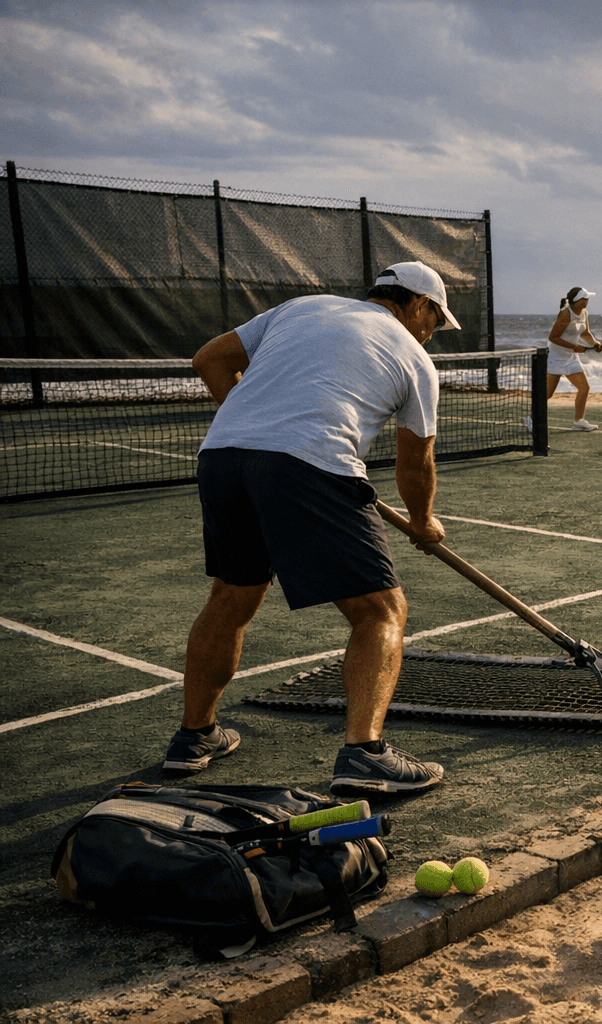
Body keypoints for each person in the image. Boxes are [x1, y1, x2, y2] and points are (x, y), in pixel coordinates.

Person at [161, 260, 455, 795]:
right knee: (380, 612)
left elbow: (210, 359)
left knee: (231, 596)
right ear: (418, 304)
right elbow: (416, 464)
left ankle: (194, 736)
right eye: (437, 318)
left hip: (223, 457)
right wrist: (421, 522)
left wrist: (256, 422)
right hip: (312, 465)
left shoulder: (303, 307)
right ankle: (365, 754)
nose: (433, 332)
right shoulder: (415, 359)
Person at [544, 287, 602, 431]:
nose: (587, 301)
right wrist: (574, 347)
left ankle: (579, 421)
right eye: (585, 298)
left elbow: (585, 333)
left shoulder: (584, 313)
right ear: (578, 300)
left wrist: (595, 343)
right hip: (556, 356)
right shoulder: (565, 314)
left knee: (584, 387)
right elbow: (553, 337)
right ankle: (531, 418)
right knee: (548, 393)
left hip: (571, 357)